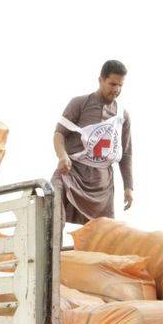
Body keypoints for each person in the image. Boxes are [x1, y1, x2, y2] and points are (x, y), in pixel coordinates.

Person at [52, 60, 133, 224]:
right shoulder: (79, 103)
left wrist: (128, 187)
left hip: (101, 181)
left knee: (103, 229)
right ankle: (53, 249)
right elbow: (59, 133)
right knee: (53, 204)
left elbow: (126, 154)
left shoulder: (122, 115)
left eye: (120, 85)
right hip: (72, 172)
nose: (116, 90)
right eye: (112, 84)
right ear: (101, 80)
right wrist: (62, 156)